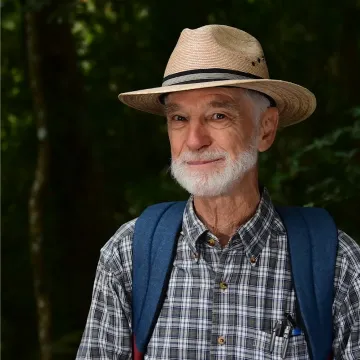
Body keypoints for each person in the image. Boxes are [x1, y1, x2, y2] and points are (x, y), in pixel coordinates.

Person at [76, 25, 360, 359]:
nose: (194, 140)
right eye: (179, 118)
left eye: (218, 115)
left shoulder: (337, 263)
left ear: (266, 129)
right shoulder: (127, 256)